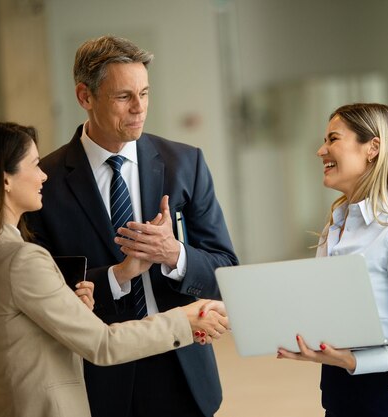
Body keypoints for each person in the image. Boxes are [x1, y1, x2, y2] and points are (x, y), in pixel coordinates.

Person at [24, 35, 238, 417]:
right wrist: (118, 276)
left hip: (182, 362)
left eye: (144, 93)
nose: (139, 108)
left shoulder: (185, 164)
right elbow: (45, 293)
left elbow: (226, 270)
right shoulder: (45, 181)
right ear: (84, 97)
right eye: (124, 97)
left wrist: (175, 255)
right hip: (97, 371)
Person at [0, 122, 229, 417]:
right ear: (5, 181)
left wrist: (101, 287)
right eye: (35, 165)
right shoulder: (21, 259)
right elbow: (102, 344)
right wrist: (185, 319)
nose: (43, 175)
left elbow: (18, 325)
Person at [278, 103, 388, 417]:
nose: (320, 150)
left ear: (373, 148)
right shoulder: (333, 228)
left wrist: (355, 362)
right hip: (340, 402)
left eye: (332, 139)